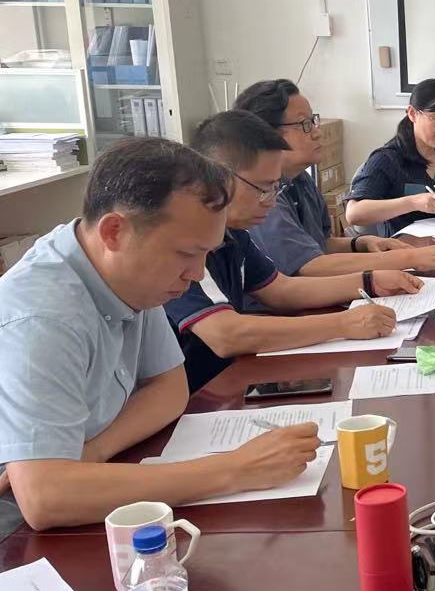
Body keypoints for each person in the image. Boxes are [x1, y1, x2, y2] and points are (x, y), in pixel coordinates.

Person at [0, 138, 321, 531]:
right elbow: (45, 498)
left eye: (205, 254)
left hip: (94, 482)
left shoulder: (130, 273)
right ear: (114, 232)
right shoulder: (41, 317)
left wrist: (94, 451)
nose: (197, 274)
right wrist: (235, 469)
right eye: (186, 254)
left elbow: (170, 388)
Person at [167, 111, 420, 391]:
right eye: (263, 188)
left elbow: (281, 290)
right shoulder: (184, 244)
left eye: (275, 188)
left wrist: (370, 281)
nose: (271, 200)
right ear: (220, 178)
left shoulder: (235, 233)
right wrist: (343, 324)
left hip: (229, 382)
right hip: (197, 396)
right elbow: (225, 334)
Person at [235, 78, 435, 277]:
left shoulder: (301, 179)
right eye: (305, 124)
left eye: (313, 120)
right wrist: (407, 259)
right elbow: (308, 266)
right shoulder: (263, 195)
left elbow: (321, 244)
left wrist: (360, 243)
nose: (317, 132)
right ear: (266, 132)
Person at [345, 80, 435, 236]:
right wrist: (412, 203)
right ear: (413, 114)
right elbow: (354, 214)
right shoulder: (387, 159)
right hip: (404, 248)